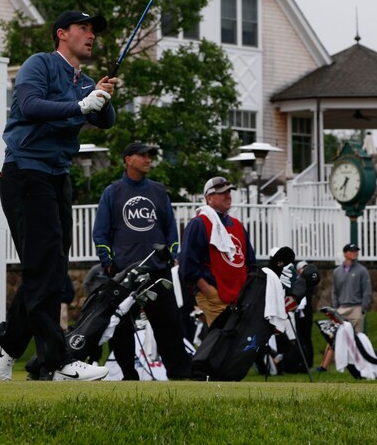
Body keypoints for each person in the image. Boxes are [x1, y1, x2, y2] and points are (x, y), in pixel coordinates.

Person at [0, 10, 116, 382]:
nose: (91, 35)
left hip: (58, 176)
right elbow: (29, 106)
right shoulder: (40, 64)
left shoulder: (85, 80)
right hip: (25, 172)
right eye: (83, 28)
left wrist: (103, 97)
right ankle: (58, 360)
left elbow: (107, 121)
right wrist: (80, 106)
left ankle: (11, 339)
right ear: (62, 34)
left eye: (93, 30)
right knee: (43, 266)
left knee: (50, 268)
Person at [92, 141, 192, 380]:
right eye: (143, 155)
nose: (148, 159)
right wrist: (108, 263)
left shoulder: (158, 191)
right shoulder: (112, 192)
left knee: (169, 326)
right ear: (128, 159)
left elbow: (171, 228)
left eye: (150, 156)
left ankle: (180, 375)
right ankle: (128, 376)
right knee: (123, 328)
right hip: (125, 273)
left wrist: (172, 256)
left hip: (157, 271)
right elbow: (100, 233)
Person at [179, 176, 256, 327]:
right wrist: (208, 290)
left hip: (239, 296)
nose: (228, 196)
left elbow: (250, 262)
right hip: (214, 293)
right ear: (209, 198)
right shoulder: (199, 223)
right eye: (222, 192)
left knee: (238, 342)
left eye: (229, 192)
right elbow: (187, 264)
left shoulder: (237, 225)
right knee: (225, 341)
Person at [331, 243, 371, 333]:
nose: (355, 253)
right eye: (351, 251)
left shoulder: (362, 270)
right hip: (341, 308)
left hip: (356, 308)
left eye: (356, 251)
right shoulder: (337, 271)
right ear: (345, 253)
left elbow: (366, 291)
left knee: (357, 337)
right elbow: (335, 291)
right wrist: (336, 307)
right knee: (338, 336)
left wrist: (363, 308)